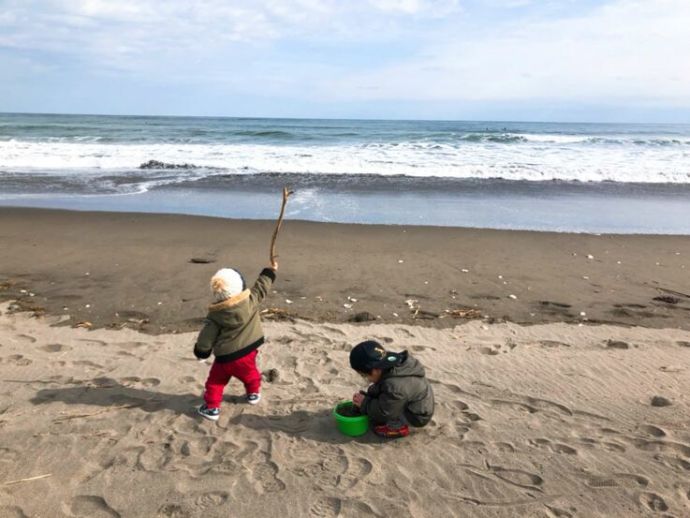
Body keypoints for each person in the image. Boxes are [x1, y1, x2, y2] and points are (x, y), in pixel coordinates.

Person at [194, 263, 277, 421]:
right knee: (250, 374)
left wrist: (201, 352)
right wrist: (270, 271)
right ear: (241, 286)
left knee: (215, 382)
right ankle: (253, 394)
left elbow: (206, 337)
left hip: (224, 358)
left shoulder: (215, 315)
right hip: (247, 352)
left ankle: (212, 408)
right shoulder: (251, 301)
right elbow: (261, 287)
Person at [350, 340, 435, 438]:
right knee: (380, 395)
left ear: (375, 371)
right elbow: (384, 386)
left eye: (364, 375)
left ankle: (397, 428)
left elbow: (384, 413)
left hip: (417, 415)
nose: (365, 378)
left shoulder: (395, 387)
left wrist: (365, 403)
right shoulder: (389, 364)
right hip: (412, 399)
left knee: (382, 418)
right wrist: (369, 397)